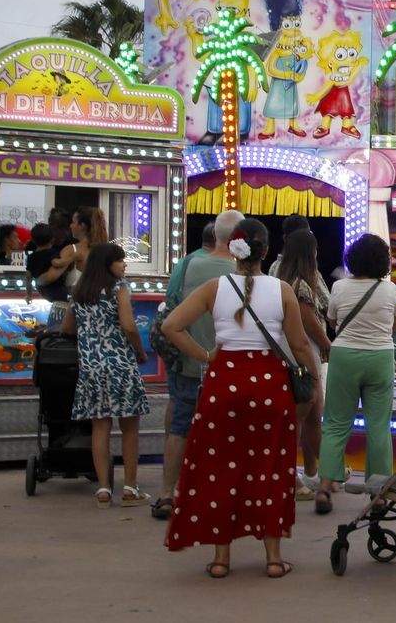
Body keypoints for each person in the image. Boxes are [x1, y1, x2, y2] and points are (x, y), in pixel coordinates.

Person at [163, 219, 318, 578]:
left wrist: (205, 356)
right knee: (271, 470)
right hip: (269, 386)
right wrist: (312, 374)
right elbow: (297, 345)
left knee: (221, 469)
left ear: (233, 250)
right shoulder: (282, 291)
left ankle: (221, 560)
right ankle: (274, 559)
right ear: (265, 251)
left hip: (224, 384)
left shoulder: (213, 288)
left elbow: (171, 325)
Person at [153, 210, 242, 521]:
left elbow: (171, 303)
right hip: (230, 365)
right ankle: (219, 493)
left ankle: (167, 493)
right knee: (228, 431)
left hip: (189, 359)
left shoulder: (189, 263)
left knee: (180, 424)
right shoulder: (243, 274)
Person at [317, 234, 396, 515]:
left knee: (336, 422)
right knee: (378, 425)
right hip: (379, 357)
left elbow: (332, 320)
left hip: (344, 356)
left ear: (352, 259)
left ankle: (325, 485)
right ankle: (378, 494)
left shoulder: (339, 287)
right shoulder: (389, 290)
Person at [68, 242, 151, 507]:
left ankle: (103, 489)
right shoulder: (119, 288)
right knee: (129, 427)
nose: (125, 265)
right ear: (108, 264)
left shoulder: (79, 291)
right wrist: (140, 350)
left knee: (100, 427)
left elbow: (67, 328)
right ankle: (130, 487)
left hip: (91, 367)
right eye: (120, 261)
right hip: (120, 365)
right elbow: (128, 325)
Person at [274, 229, 329, 504]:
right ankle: (292, 478)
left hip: (287, 350)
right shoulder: (302, 286)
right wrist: (327, 343)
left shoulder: (280, 278)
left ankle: (322, 472)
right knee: (300, 419)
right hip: (303, 354)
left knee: (310, 416)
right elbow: (309, 322)